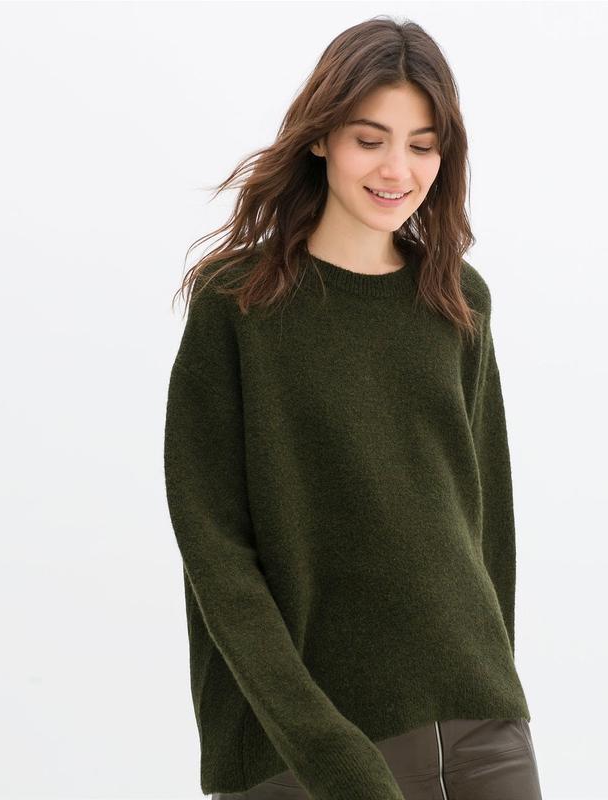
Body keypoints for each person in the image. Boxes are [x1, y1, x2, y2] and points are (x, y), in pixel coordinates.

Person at [163, 15, 544, 800]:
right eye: (370, 139)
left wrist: (497, 682)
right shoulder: (238, 304)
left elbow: (487, 522)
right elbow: (216, 551)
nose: (396, 169)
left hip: (482, 729)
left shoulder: (458, 301)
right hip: (303, 749)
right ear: (321, 138)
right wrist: (323, 746)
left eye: (423, 145)